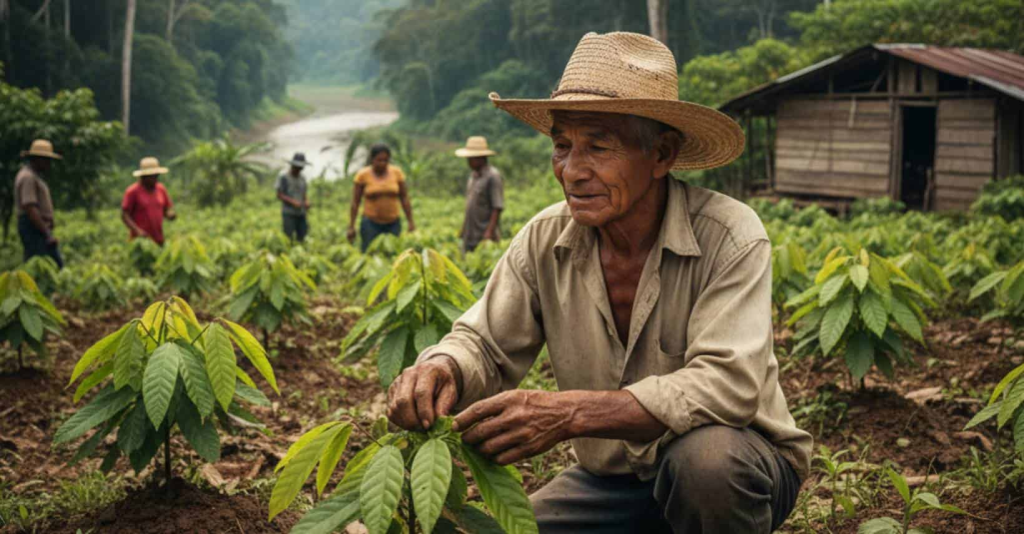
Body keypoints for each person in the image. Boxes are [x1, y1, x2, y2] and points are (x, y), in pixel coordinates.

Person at [386, 32, 811, 533]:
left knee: (704, 464)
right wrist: (443, 368)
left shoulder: (730, 236)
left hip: (736, 464)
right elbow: (485, 343)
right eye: (562, 146)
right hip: (611, 481)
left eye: (599, 146)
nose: (572, 171)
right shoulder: (546, 239)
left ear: (662, 155)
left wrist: (569, 414)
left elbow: (728, 385)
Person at [347, 144, 416, 252]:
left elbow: (404, 198)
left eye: (385, 160)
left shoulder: (397, 173)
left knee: (393, 252)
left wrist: (410, 222)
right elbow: (355, 202)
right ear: (372, 159)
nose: (382, 163)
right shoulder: (362, 175)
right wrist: (351, 226)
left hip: (393, 223)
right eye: (379, 160)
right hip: (370, 223)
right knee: (369, 252)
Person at [14, 140, 64, 268]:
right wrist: (47, 233)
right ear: (37, 159)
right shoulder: (28, 177)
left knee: (44, 263)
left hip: (37, 227)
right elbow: (30, 208)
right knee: (47, 265)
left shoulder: (33, 176)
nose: (49, 164)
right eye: (46, 160)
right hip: (33, 228)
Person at [455, 136, 504, 253]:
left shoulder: (493, 176)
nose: (468, 161)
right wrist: (463, 230)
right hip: (470, 234)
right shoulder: (473, 176)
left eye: (471, 158)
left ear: (481, 158)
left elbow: (497, 207)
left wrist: (489, 232)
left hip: (484, 235)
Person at [121, 157, 176, 246]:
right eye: (152, 177)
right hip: (140, 241)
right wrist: (137, 231)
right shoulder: (132, 191)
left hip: (159, 239)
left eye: (156, 176)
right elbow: (125, 215)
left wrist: (170, 214)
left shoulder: (161, 189)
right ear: (143, 177)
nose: (155, 179)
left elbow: (166, 209)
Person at [277, 153, 311, 242]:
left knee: (303, 236)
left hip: (301, 213)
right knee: (288, 237)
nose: (299, 169)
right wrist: (293, 202)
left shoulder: (302, 178)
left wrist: (306, 201)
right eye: (297, 167)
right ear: (292, 165)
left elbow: (304, 193)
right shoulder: (283, 177)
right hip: (289, 213)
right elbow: (279, 194)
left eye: (301, 168)